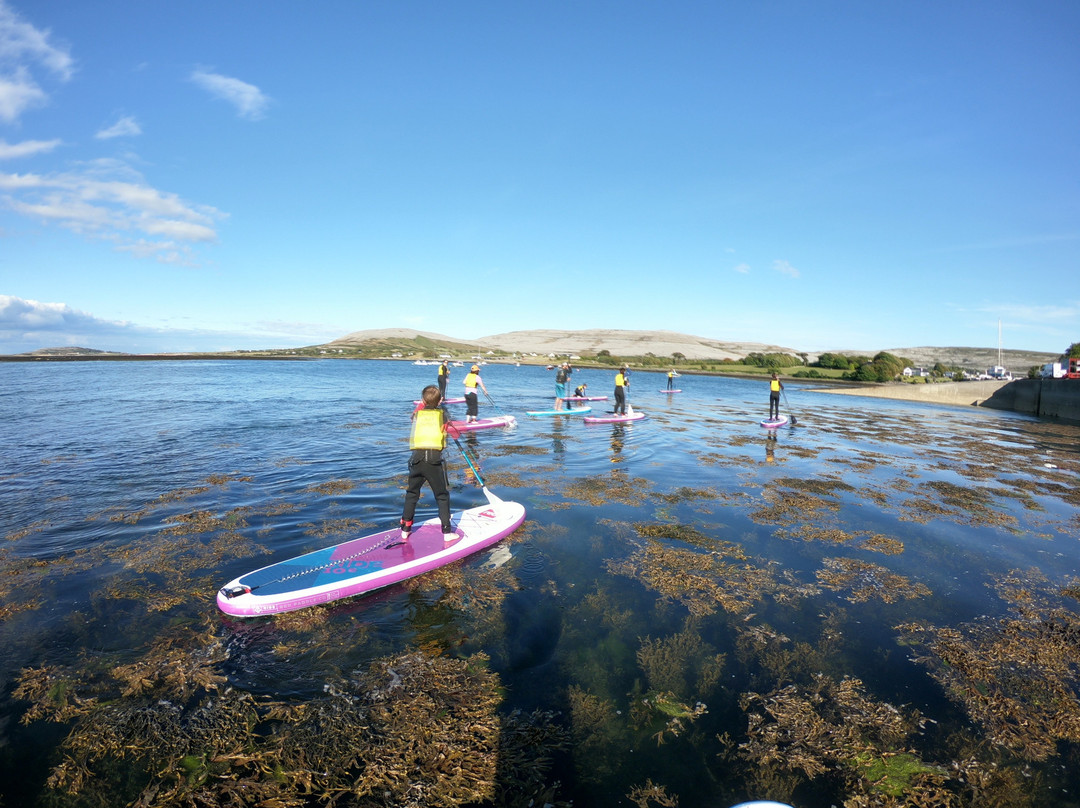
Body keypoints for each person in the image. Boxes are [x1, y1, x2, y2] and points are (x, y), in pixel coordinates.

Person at [400, 385, 457, 543]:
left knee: (412, 494)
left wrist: (424, 403)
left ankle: (405, 530)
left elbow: (414, 417)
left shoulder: (417, 413)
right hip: (433, 460)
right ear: (440, 400)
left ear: (423, 400)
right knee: (442, 496)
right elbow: (445, 426)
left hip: (416, 459)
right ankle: (447, 532)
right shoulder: (443, 413)